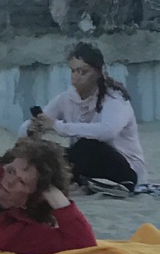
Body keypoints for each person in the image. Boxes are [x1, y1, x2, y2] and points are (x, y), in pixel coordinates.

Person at [29, 41, 147, 191]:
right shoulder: (66, 98)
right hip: (89, 165)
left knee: (86, 146)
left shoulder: (115, 99)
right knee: (43, 150)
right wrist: (33, 127)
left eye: (83, 72)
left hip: (126, 170)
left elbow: (107, 131)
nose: (76, 77)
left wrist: (58, 126)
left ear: (98, 72)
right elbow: (38, 122)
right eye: (73, 71)